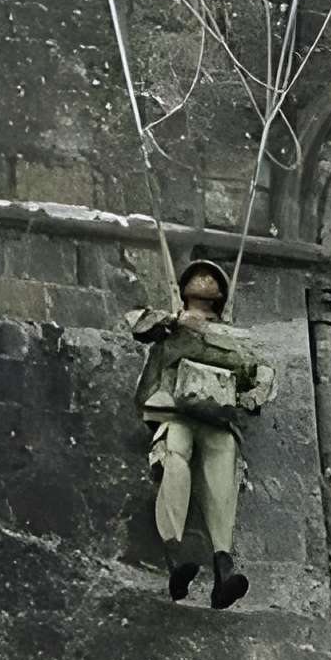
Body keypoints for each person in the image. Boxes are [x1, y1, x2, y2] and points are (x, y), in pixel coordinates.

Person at [133, 257, 274, 607]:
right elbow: (139, 326)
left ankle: (223, 565)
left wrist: (252, 393)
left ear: (222, 294)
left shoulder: (234, 338)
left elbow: (262, 370)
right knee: (175, 458)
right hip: (176, 412)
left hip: (218, 418)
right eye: (197, 275)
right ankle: (176, 554)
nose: (204, 278)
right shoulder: (171, 327)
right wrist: (169, 323)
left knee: (222, 474)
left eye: (211, 277)